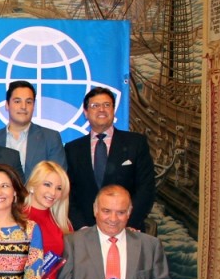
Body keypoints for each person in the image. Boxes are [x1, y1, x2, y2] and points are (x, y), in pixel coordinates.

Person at [63, 87, 155, 231]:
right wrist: (82, 227)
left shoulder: (136, 144)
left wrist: (129, 224)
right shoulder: (72, 149)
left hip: (128, 230)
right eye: (95, 106)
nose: (101, 109)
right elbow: (68, 193)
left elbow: (146, 188)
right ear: (86, 113)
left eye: (107, 105)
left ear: (113, 110)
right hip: (87, 232)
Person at [0, 80, 67, 179]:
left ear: (33, 106)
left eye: (29, 102)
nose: (23, 107)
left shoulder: (50, 138)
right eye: (17, 101)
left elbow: (58, 179)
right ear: (7, 105)